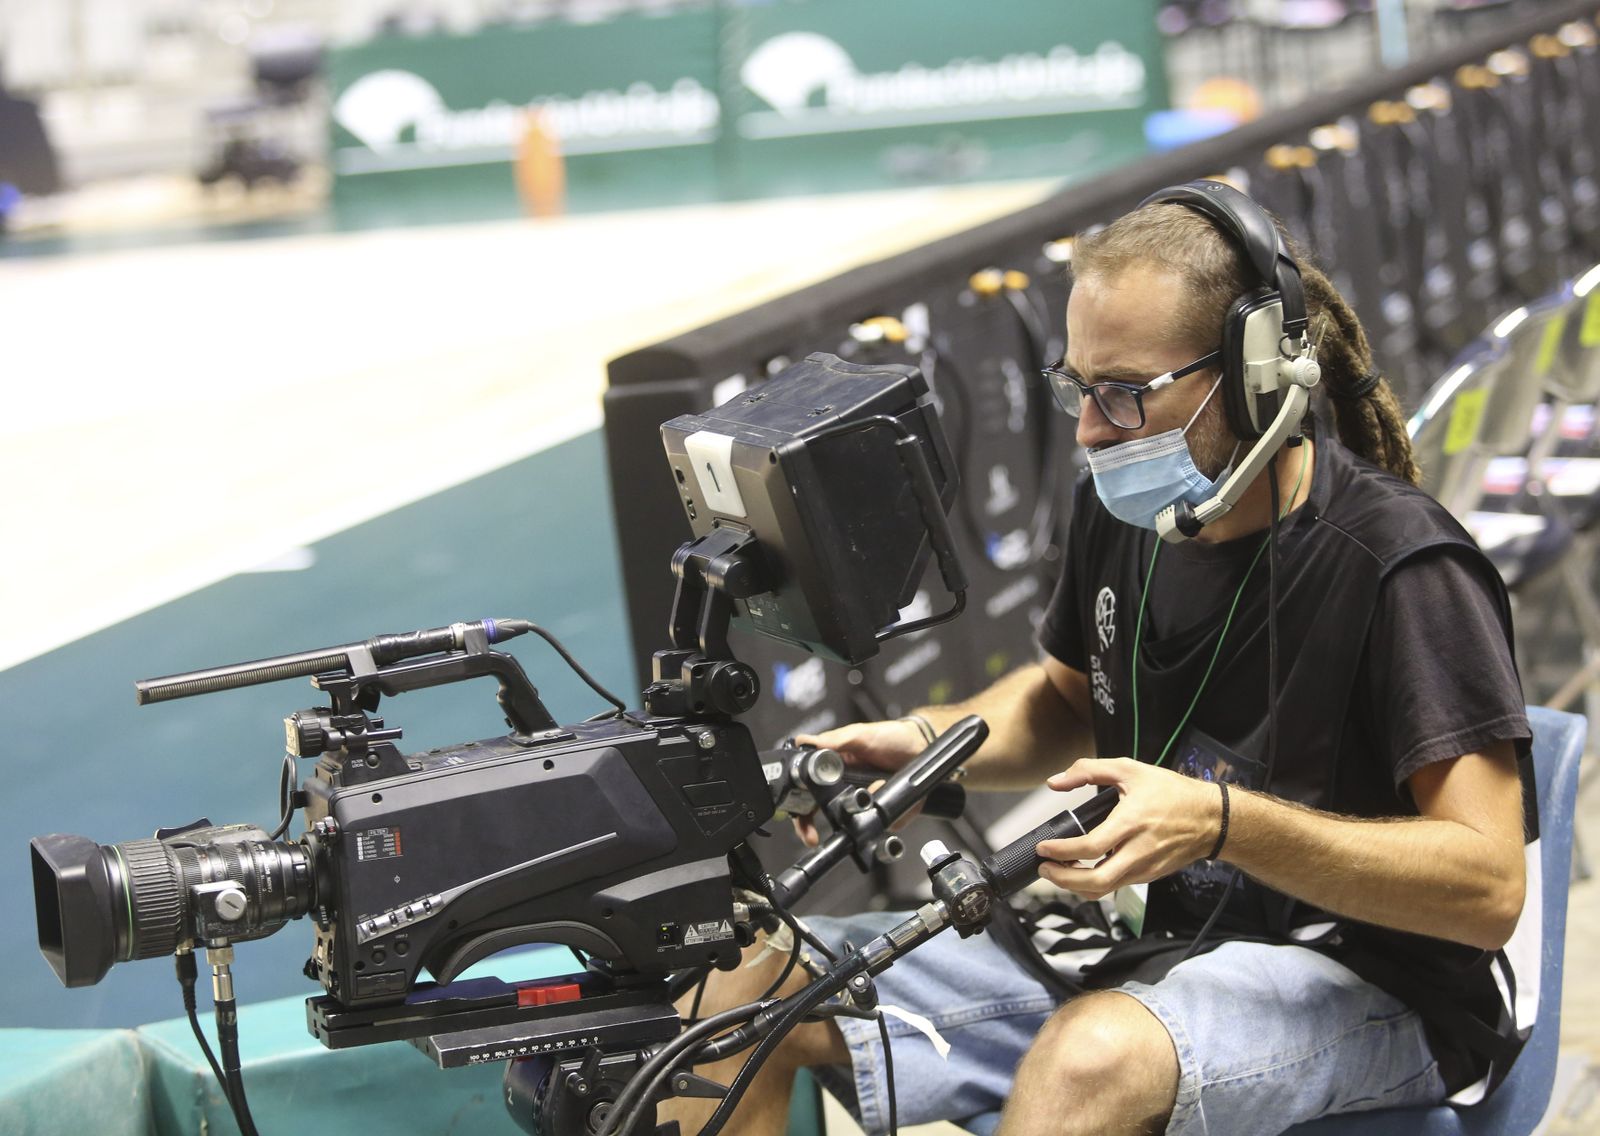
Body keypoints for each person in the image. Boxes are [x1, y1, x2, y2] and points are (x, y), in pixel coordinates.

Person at [662, 181, 1534, 1136]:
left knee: (1089, 1061)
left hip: (1378, 985)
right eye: (1077, 388)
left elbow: (1487, 890)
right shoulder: (1127, 514)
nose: (1087, 432)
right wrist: (920, 745)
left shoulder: (1403, 566)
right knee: (744, 990)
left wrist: (1222, 823)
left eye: (1124, 395)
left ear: (1254, 378)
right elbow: (1068, 699)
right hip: (1162, 956)